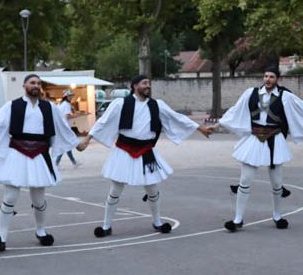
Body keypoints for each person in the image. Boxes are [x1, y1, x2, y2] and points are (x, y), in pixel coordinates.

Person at [77, 75, 214, 237]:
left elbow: (177, 117)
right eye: (144, 83)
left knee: (152, 189)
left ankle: (157, 222)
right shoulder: (121, 103)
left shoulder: (157, 105)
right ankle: (106, 226)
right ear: (135, 86)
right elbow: (103, 122)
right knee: (116, 189)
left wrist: (200, 128)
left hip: (146, 150)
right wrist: (87, 139)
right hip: (124, 149)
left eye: (149, 83)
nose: (148, 85)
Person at [218, 66, 303, 231]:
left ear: (277, 79)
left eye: (271, 77)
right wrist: (216, 125)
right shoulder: (251, 93)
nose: (268, 79)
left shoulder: (286, 96)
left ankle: (277, 215)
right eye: (265, 76)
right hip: (254, 139)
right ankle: (237, 219)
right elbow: (235, 111)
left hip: (275, 140)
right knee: (245, 180)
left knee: (277, 183)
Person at [0, 74, 78, 252]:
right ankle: (1, 237)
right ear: (24, 85)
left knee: (39, 199)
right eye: (32, 83)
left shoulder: (50, 107)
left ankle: (41, 231)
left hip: (40, 153)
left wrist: (76, 143)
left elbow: (62, 126)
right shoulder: (12, 105)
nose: (36, 85)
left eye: (38, 83)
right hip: (16, 152)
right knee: (10, 196)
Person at [54, 89, 81, 168]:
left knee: (66, 145)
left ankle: (73, 162)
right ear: (67, 97)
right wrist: (77, 115)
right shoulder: (66, 104)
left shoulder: (60, 104)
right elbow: (67, 116)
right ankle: (57, 164)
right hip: (64, 127)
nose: (72, 97)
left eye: (72, 95)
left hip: (60, 127)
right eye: (70, 96)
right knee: (68, 144)